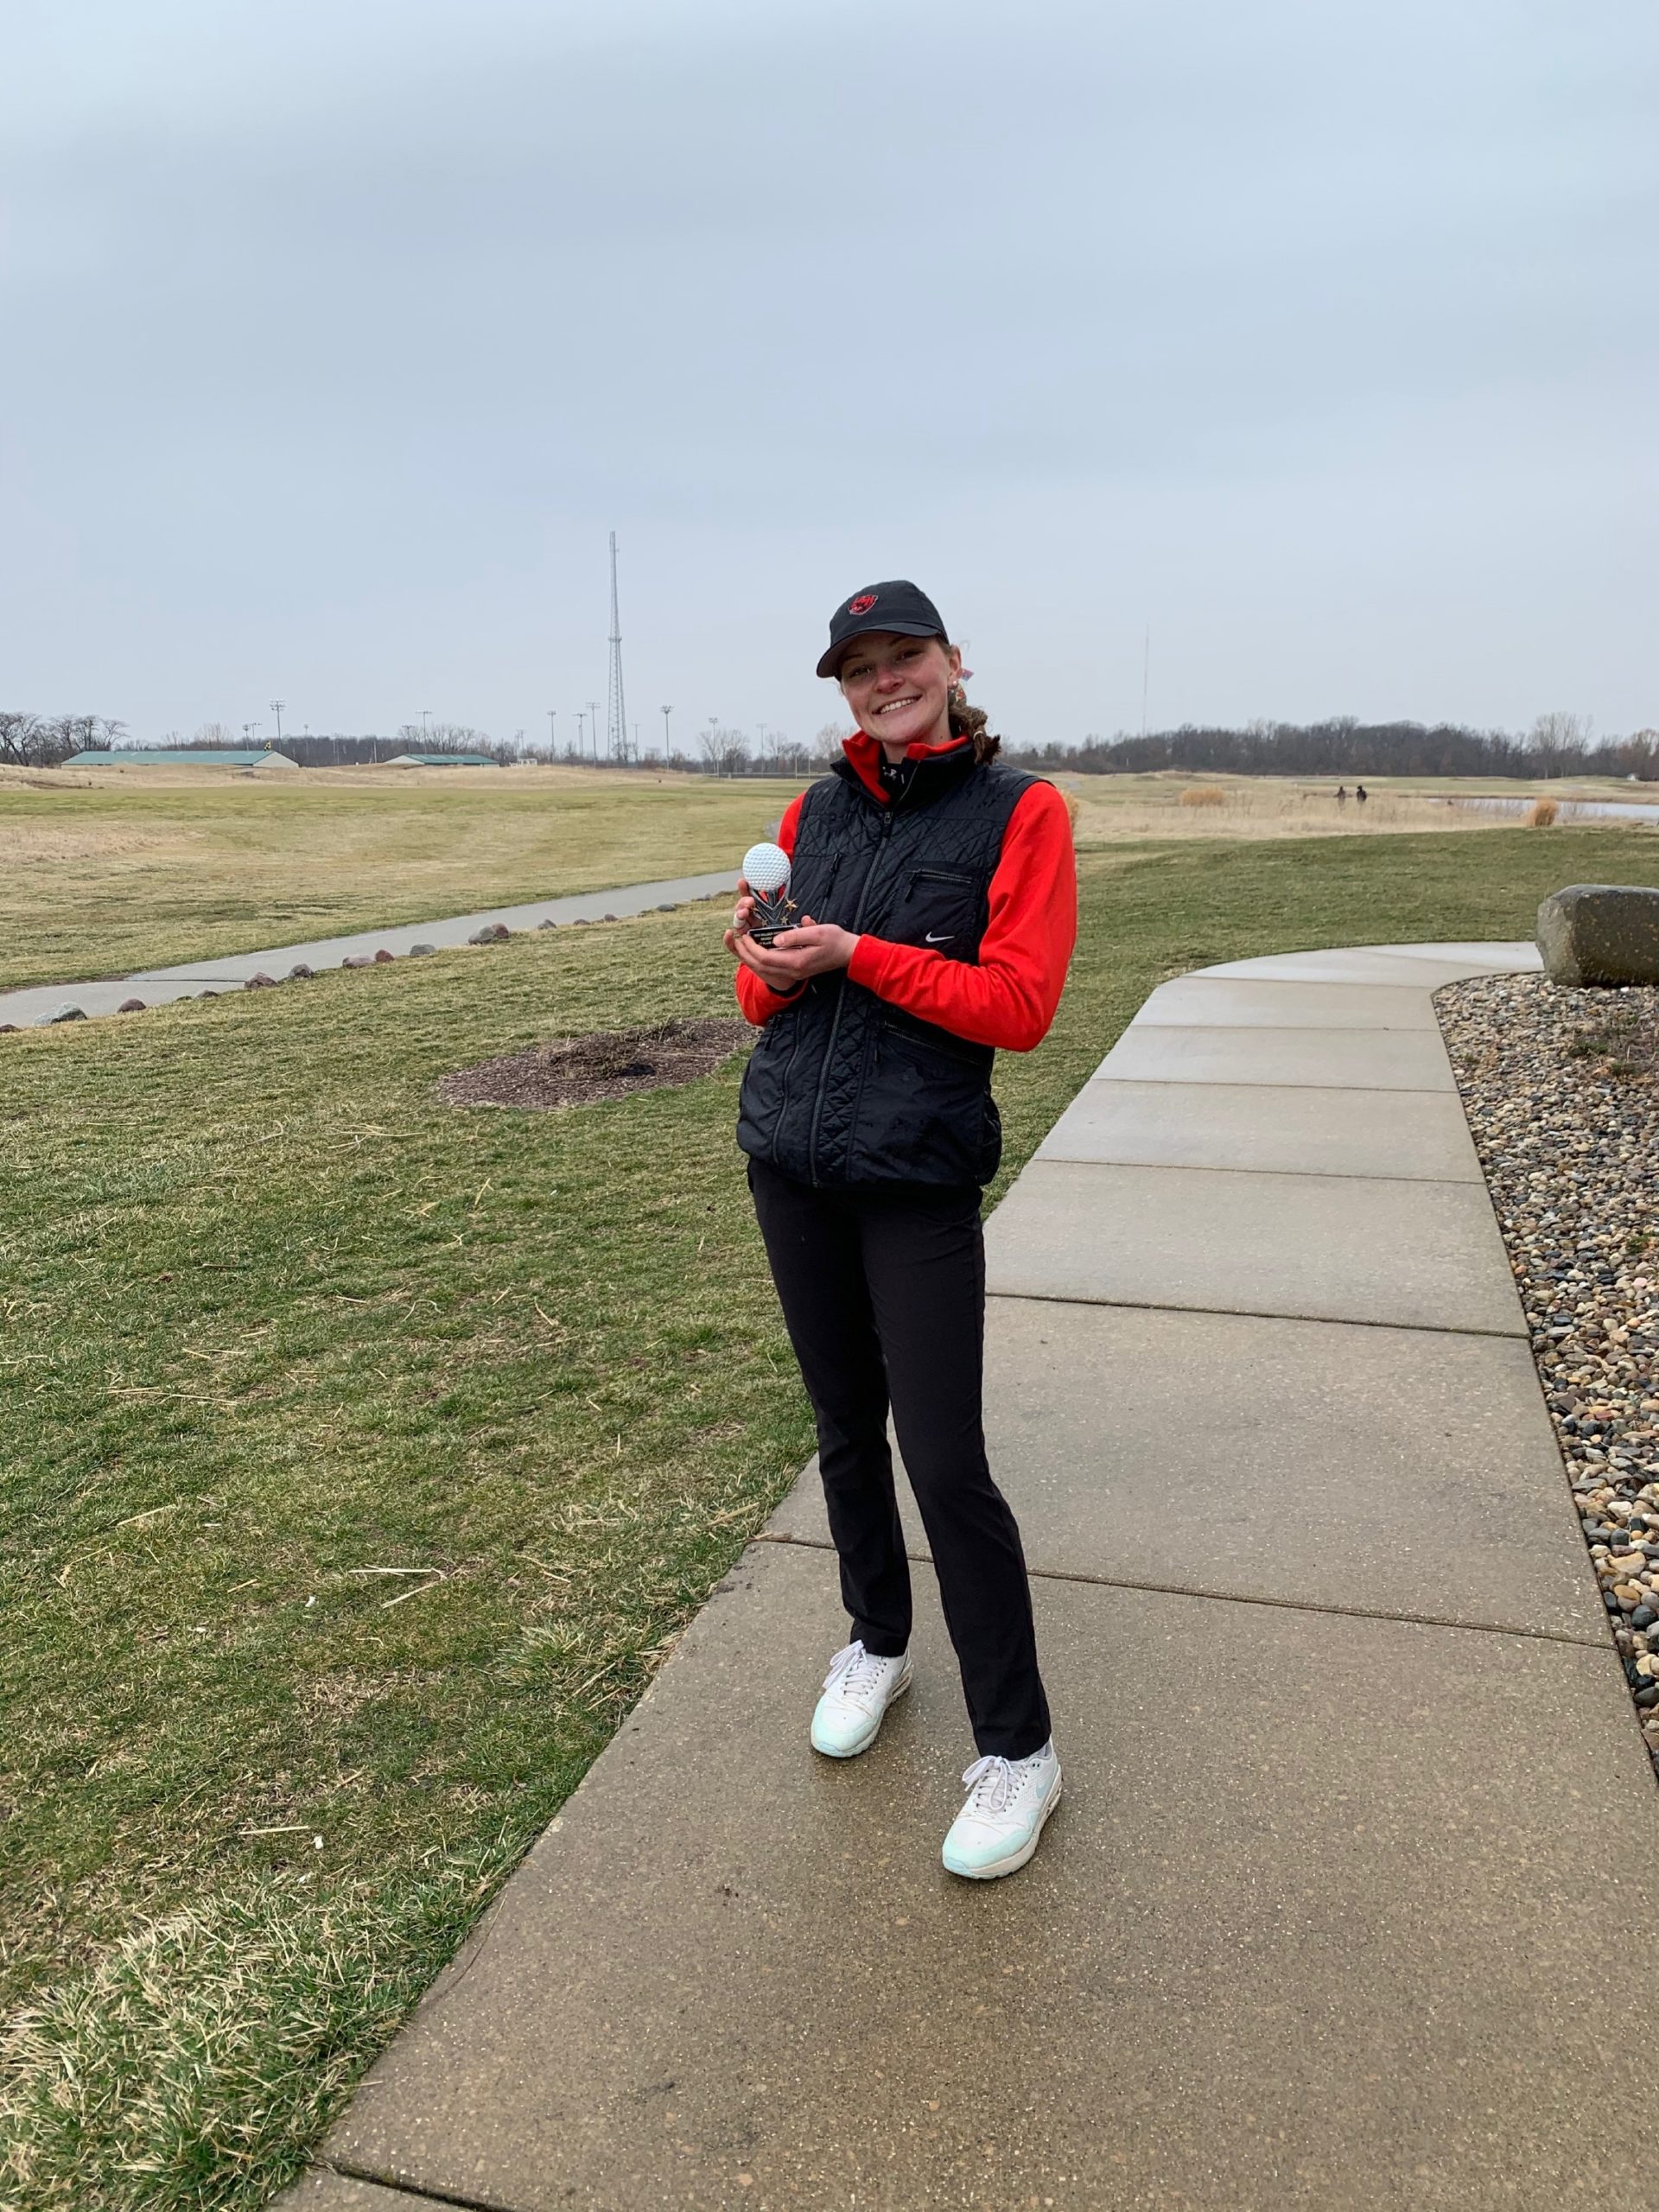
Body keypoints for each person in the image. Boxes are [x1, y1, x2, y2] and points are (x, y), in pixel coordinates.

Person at [723, 580, 1076, 1879]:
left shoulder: (1019, 811)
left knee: (945, 1459)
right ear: (843, 688)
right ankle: (875, 1643)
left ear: (950, 661)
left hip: (915, 1181)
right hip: (792, 1166)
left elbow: (1020, 1004)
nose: (884, 680)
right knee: (839, 1430)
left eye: (904, 655)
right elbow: (768, 1005)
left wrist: (856, 953)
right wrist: (760, 962)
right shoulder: (813, 810)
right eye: (859, 666)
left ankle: (1021, 1753)